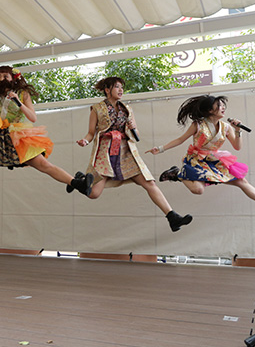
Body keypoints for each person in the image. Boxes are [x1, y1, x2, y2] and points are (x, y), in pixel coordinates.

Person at [148, 94, 255, 218]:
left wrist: (237, 130)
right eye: (219, 106)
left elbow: (237, 146)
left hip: (214, 160)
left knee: (241, 181)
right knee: (198, 190)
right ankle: (177, 174)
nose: (223, 108)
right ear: (209, 110)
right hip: (196, 160)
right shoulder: (198, 125)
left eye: (223, 105)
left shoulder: (226, 127)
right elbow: (180, 140)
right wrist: (160, 149)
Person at [76, 77, 193, 232]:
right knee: (94, 194)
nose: (121, 90)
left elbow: (136, 133)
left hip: (126, 152)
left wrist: (133, 128)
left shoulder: (127, 109)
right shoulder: (96, 109)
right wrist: (85, 141)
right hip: (106, 153)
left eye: (121, 87)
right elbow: (91, 133)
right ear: (107, 90)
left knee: (149, 182)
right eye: (117, 87)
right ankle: (79, 180)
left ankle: (172, 217)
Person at [0, 66, 93, 195]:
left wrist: (18, 101)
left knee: (44, 165)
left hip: (18, 137)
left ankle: (77, 183)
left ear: (13, 78)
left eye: (5, 76)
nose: (1, 79)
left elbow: (33, 117)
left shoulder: (23, 94)